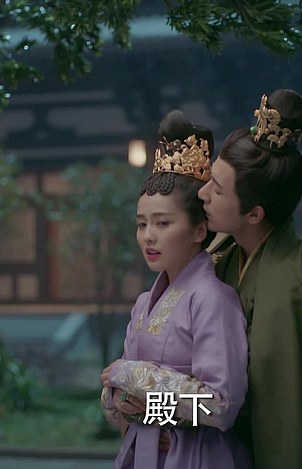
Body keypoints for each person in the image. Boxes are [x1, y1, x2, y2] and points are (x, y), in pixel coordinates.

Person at [198, 89, 302, 468]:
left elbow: (281, 399)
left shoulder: (297, 276)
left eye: (218, 189)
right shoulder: (221, 253)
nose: (203, 194)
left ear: (254, 214)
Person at [100, 110, 251, 469]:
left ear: (199, 230)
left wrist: (135, 378)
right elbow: (117, 400)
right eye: (142, 224)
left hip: (195, 456)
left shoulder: (213, 300)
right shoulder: (143, 304)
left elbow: (220, 406)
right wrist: (121, 396)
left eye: (163, 223)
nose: (148, 236)